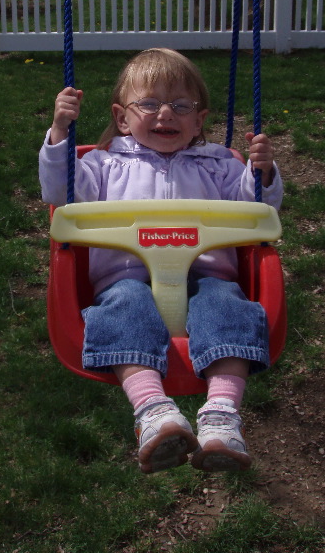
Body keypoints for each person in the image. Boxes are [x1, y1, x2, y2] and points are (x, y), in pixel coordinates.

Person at [39, 48, 283, 475]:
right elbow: (60, 193)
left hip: (209, 273)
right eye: (149, 104)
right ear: (121, 117)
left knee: (230, 306)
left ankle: (222, 414)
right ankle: (153, 410)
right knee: (121, 310)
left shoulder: (219, 165)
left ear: (199, 120)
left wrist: (261, 173)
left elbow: (254, 209)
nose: (165, 113)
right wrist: (60, 131)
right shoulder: (101, 163)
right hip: (124, 276)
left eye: (181, 106)